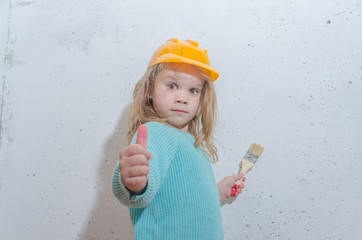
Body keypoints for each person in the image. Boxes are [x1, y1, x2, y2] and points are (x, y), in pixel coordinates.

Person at [112, 38, 245, 239]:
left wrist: (217, 192)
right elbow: (138, 196)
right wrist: (133, 183)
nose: (183, 98)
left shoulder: (190, 143)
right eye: (172, 85)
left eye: (193, 90)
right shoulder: (156, 132)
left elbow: (183, 202)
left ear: (202, 98)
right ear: (149, 88)